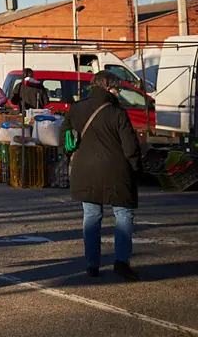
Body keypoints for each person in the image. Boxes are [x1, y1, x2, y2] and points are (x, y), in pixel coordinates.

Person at [60, 71, 141, 281]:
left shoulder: (76, 109)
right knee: (123, 214)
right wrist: (135, 168)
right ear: (108, 88)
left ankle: (92, 265)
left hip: (84, 171)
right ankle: (121, 262)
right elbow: (130, 147)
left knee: (92, 216)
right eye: (117, 88)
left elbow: (64, 140)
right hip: (116, 171)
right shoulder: (117, 112)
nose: (118, 92)